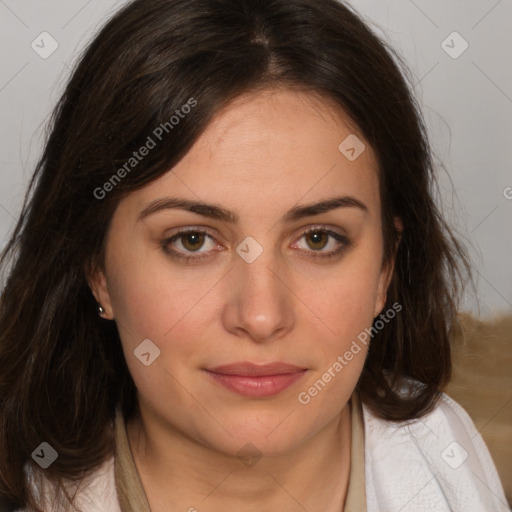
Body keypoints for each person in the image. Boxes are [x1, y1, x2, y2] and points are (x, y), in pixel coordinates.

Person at [0, 0, 508, 511]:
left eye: (318, 239)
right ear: (99, 271)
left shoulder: (445, 453)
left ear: (385, 268)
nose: (262, 316)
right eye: (193, 240)